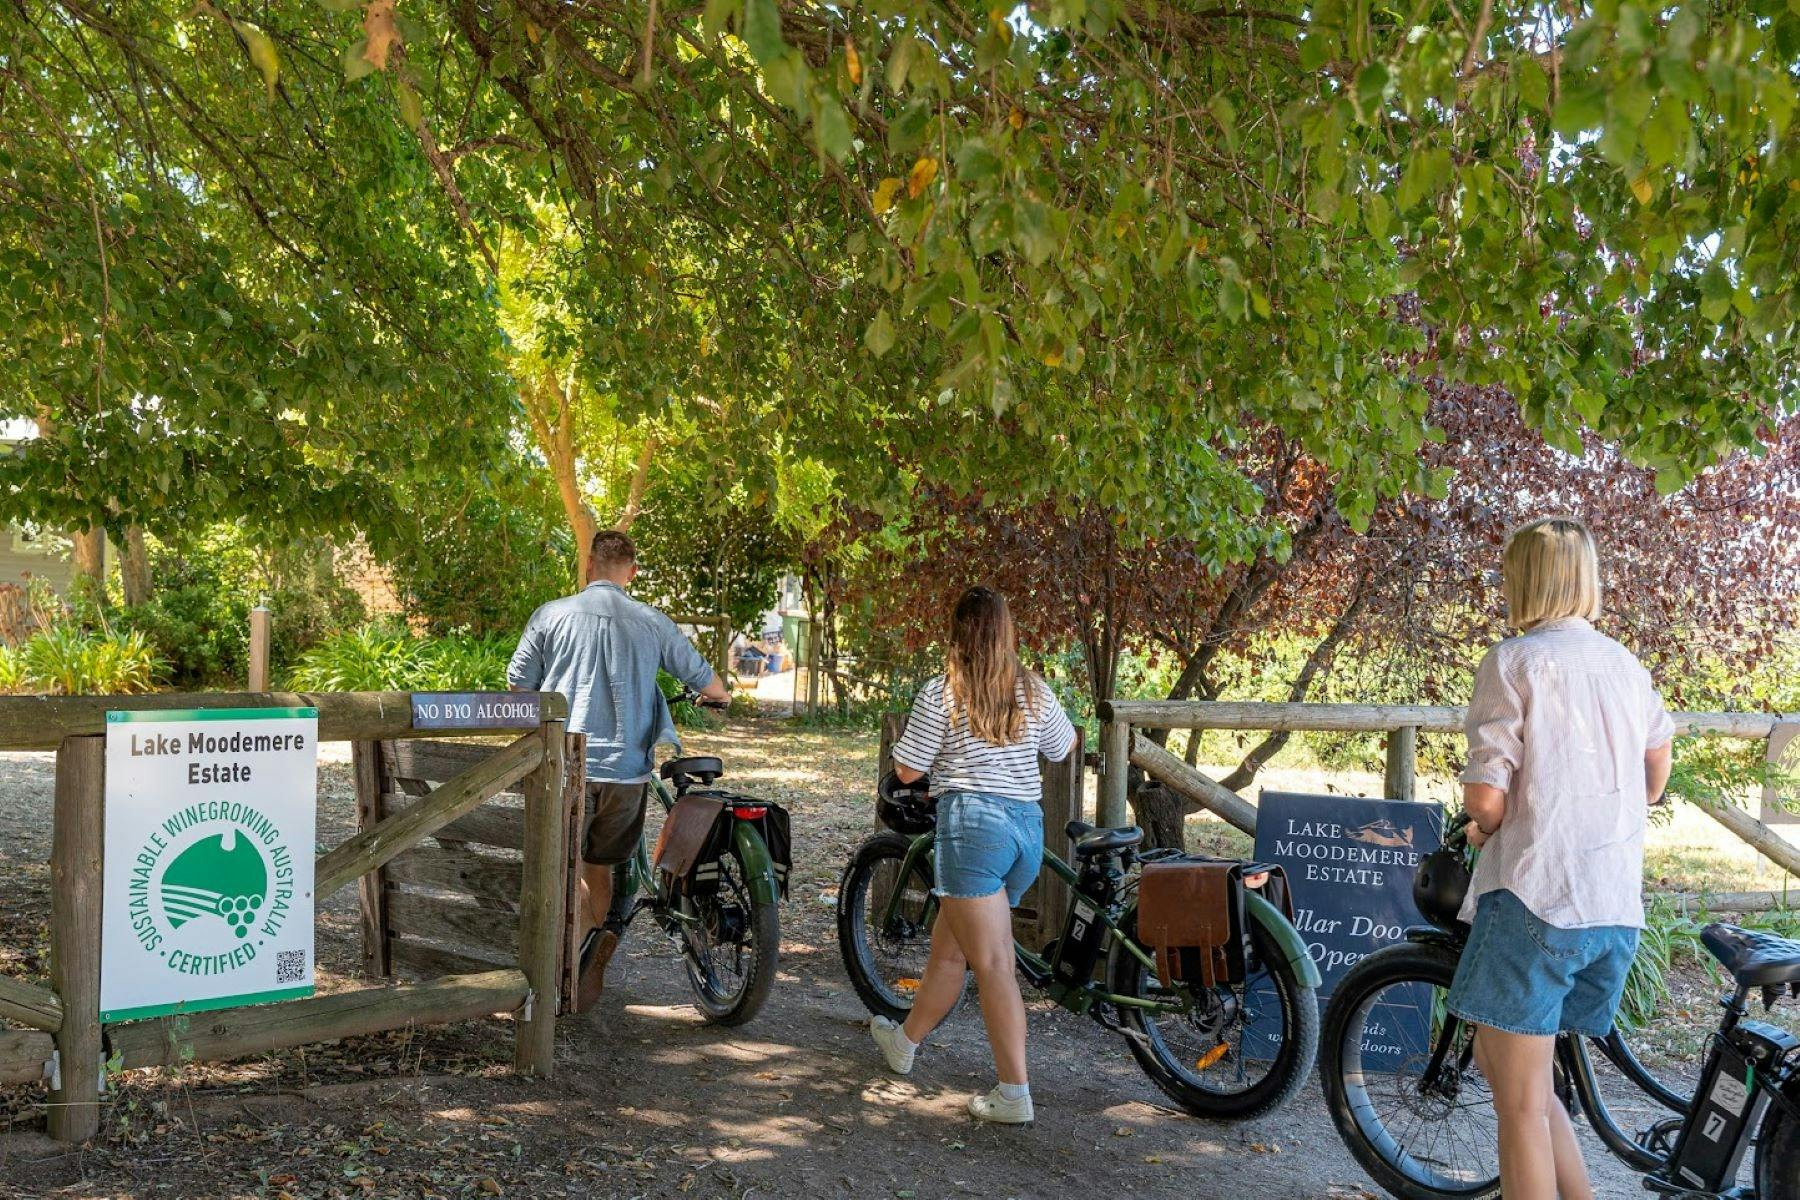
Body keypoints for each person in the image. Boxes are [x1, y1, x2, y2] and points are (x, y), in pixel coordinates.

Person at [1448, 517, 1674, 1200]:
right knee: (1520, 1080)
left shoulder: (1513, 662)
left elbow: (1486, 798)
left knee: (1517, 1107)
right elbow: (1655, 777)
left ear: (1523, 580)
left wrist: (1479, 828)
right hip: (1611, 910)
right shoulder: (1628, 668)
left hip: (1535, 900)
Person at [868, 585, 1077, 1124]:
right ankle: (905, 1042)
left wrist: (940, 761)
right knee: (950, 953)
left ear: (957, 632)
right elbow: (1063, 747)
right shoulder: (1033, 691)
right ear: (1007, 631)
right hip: (1027, 831)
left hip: (973, 832)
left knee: (993, 964)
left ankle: (1014, 1093)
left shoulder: (945, 692)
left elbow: (909, 770)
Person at [508, 530, 729, 1010]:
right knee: (601, 868)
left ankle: (553, 973)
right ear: (631, 572)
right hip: (626, 773)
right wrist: (721, 696)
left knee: (558, 868)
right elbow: (706, 680)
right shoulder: (651, 621)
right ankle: (585, 950)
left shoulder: (550, 615)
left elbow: (518, 687)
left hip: (566, 766)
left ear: (588, 566)